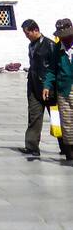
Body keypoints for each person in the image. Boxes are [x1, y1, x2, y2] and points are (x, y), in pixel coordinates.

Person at [42, 16, 73, 162]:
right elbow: (51, 70)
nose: (63, 39)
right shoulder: (57, 49)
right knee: (66, 122)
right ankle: (69, 152)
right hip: (64, 90)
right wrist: (47, 85)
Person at [22, 19, 54, 158]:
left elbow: (53, 68)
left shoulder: (50, 45)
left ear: (36, 30)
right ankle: (32, 146)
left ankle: (66, 146)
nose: (26, 36)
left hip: (49, 87)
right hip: (34, 86)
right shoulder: (31, 45)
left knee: (56, 117)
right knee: (34, 115)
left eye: (28, 33)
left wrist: (49, 84)